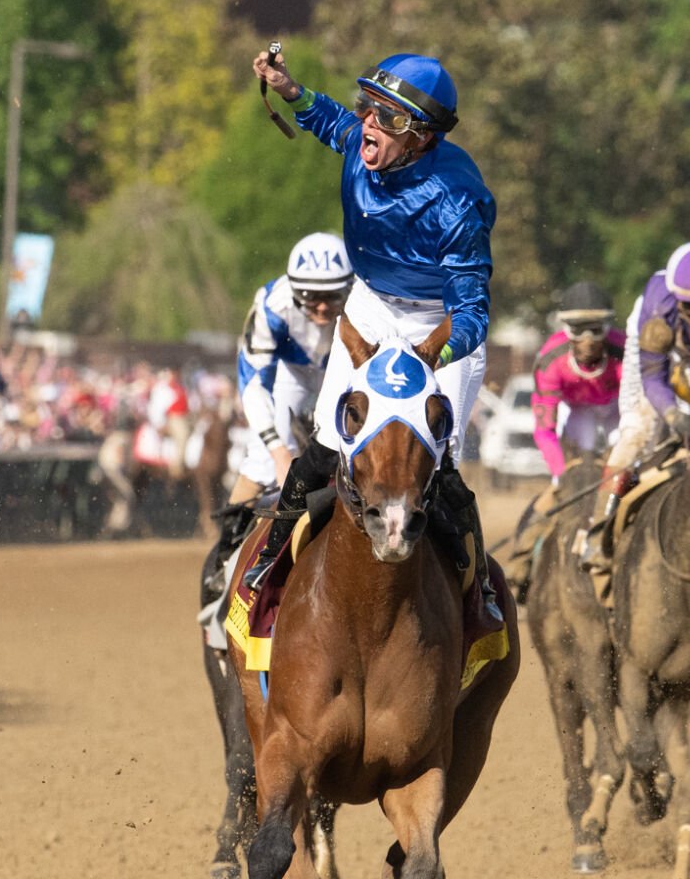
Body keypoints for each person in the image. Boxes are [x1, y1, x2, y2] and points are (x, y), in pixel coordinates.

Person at [244, 46, 500, 620]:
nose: (369, 124)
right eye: (369, 107)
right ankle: (271, 563)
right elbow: (331, 122)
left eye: (388, 118)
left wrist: (435, 352)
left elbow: (474, 314)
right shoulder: (363, 144)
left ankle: (477, 591)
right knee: (327, 442)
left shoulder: (457, 199)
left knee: (441, 459)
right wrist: (290, 90)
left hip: (441, 323)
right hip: (372, 305)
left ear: (422, 137)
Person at [577, 240, 690, 573]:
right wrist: (674, 415)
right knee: (637, 433)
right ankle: (598, 528)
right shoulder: (658, 309)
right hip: (653, 348)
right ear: (677, 298)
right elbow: (653, 378)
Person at [205, 232, 352, 591]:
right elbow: (253, 385)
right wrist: (278, 451)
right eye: (310, 298)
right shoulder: (271, 304)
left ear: (348, 287)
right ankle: (224, 559)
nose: (321, 308)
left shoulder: (366, 298)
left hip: (346, 365)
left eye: (332, 297)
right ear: (294, 290)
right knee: (261, 460)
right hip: (292, 371)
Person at [500, 281, 625, 601]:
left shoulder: (625, 351)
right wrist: (560, 472)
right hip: (578, 412)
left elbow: (638, 407)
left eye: (594, 329)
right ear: (564, 328)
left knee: (622, 467)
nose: (586, 340)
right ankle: (522, 560)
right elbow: (544, 430)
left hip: (618, 409)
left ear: (608, 327)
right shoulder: (550, 361)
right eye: (577, 329)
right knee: (565, 485)